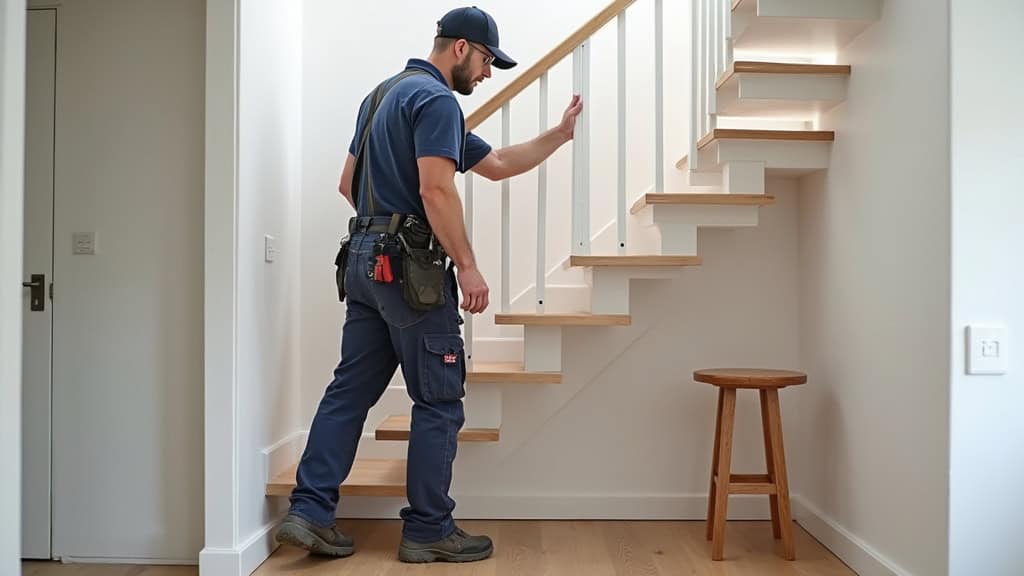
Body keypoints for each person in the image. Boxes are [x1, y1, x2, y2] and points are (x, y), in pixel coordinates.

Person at [275, 6, 584, 564]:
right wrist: (465, 263)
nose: (488, 74)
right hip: (409, 269)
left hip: (363, 261)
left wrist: (559, 136)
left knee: (349, 390)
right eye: (488, 60)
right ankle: (428, 528)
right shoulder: (438, 100)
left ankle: (310, 511)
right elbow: (437, 191)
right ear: (461, 48)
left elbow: (491, 164)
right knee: (438, 399)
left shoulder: (381, 97)